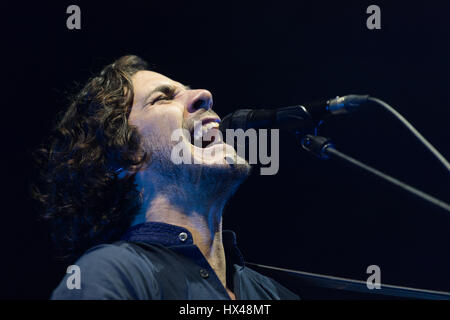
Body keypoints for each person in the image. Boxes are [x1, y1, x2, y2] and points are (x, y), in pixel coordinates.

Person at [33, 55, 299, 300]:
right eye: (162, 98)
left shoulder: (273, 294)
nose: (205, 95)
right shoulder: (111, 273)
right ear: (126, 156)